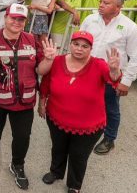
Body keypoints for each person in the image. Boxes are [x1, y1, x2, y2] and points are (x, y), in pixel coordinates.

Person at [0, 4, 48, 190]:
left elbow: (41, 70)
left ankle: (18, 165)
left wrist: (50, 59)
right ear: (5, 18)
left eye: (21, 19)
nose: (16, 22)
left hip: (24, 101)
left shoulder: (32, 40)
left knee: (22, 136)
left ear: (25, 22)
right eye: (13, 18)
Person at [39, 31, 122, 193]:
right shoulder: (57, 61)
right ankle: (56, 172)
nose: (79, 49)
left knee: (78, 155)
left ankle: (74, 185)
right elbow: (46, 83)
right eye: (76, 44)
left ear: (91, 48)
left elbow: (113, 79)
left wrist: (114, 70)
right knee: (58, 148)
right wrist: (42, 102)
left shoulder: (99, 65)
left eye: (85, 46)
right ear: (70, 44)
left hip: (88, 126)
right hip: (56, 118)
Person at [79, 0, 137, 155]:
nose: (101, 5)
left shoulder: (130, 27)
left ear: (118, 7)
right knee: (84, 101)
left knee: (111, 108)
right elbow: (79, 43)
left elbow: (136, 58)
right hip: (85, 71)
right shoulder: (90, 19)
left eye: (106, 3)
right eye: (101, 1)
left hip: (111, 75)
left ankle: (109, 139)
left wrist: (126, 82)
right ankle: (85, 127)